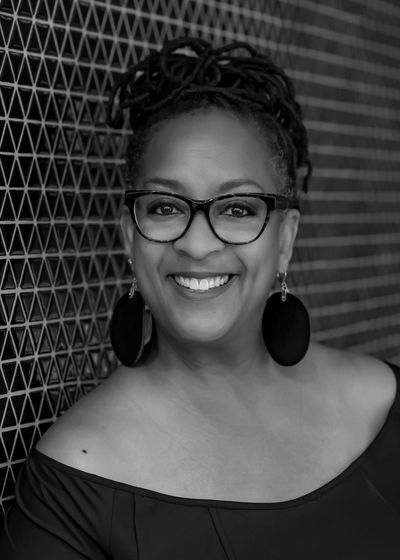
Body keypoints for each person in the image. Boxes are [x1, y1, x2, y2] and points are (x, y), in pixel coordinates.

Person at [1, 36, 399, 559]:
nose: (196, 243)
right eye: (166, 207)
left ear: (284, 240)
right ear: (130, 237)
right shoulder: (70, 488)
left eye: (237, 209)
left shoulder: (386, 405)